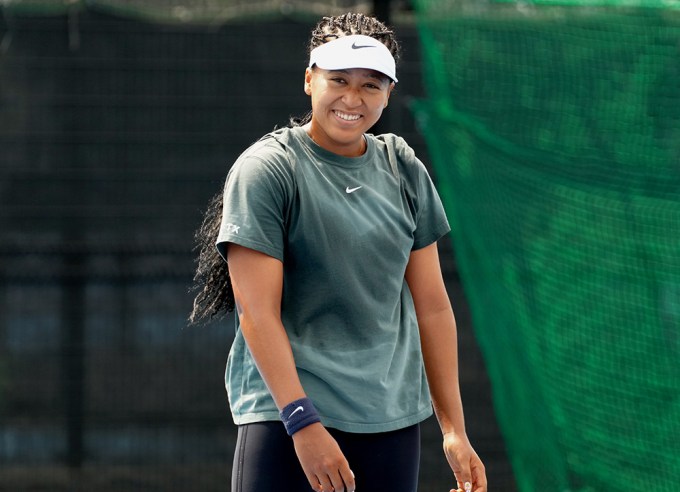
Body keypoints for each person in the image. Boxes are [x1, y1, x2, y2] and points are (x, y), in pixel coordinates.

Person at [190, 12, 487, 492]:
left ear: (389, 92)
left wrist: (453, 430)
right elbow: (255, 311)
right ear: (310, 81)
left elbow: (432, 305)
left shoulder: (404, 168)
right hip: (286, 419)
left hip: (390, 423)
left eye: (371, 85)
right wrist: (303, 423)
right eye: (339, 80)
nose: (353, 99)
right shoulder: (268, 169)